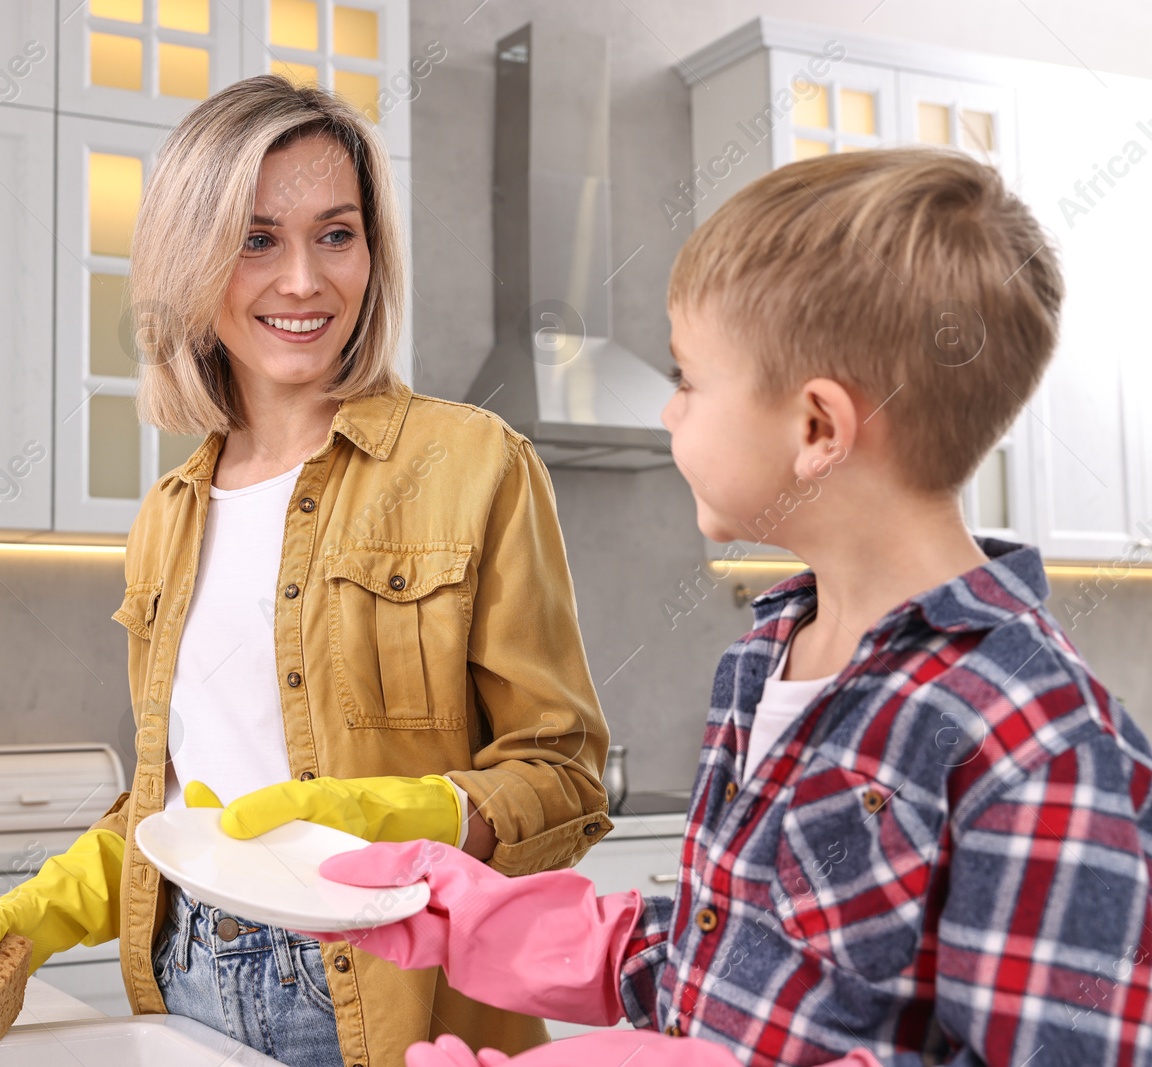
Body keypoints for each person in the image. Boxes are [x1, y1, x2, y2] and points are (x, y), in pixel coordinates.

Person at [309, 147, 1152, 1066]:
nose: (670, 414)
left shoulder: (1038, 735)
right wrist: (476, 919)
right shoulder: (765, 656)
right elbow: (716, 959)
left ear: (816, 428)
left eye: (687, 381)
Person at [0, 75, 613, 1067]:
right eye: (255, 238)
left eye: (336, 234)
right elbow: (181, 802)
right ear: (187, 259)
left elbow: (564, 776)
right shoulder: (167, 515)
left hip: (386, 984)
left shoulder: (472, 462)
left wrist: (395, 816)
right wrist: (49, 903)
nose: (303, 281)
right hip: (187, 971)